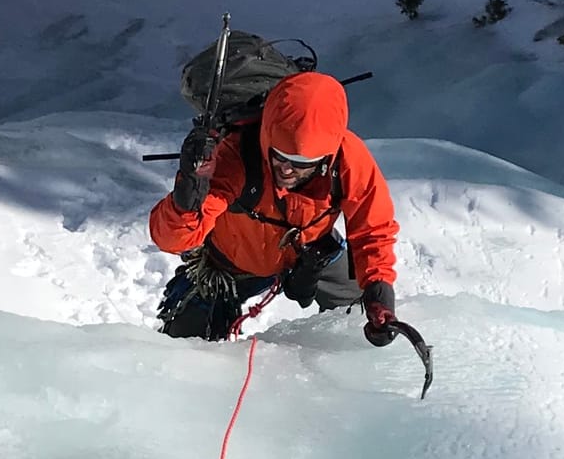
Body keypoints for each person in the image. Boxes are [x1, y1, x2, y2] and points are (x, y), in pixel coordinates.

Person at [150, 70, 401, 346]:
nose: (288, 169)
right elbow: (172, 240)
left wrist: (379, 292)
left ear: (326, 156)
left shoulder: (348, 159)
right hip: (231, 262)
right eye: (281, 156)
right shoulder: (235, 157)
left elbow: (372, 230)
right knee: (183, 348)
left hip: (312, 251)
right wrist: (189, 194)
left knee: (357, 314)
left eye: (302, 163)